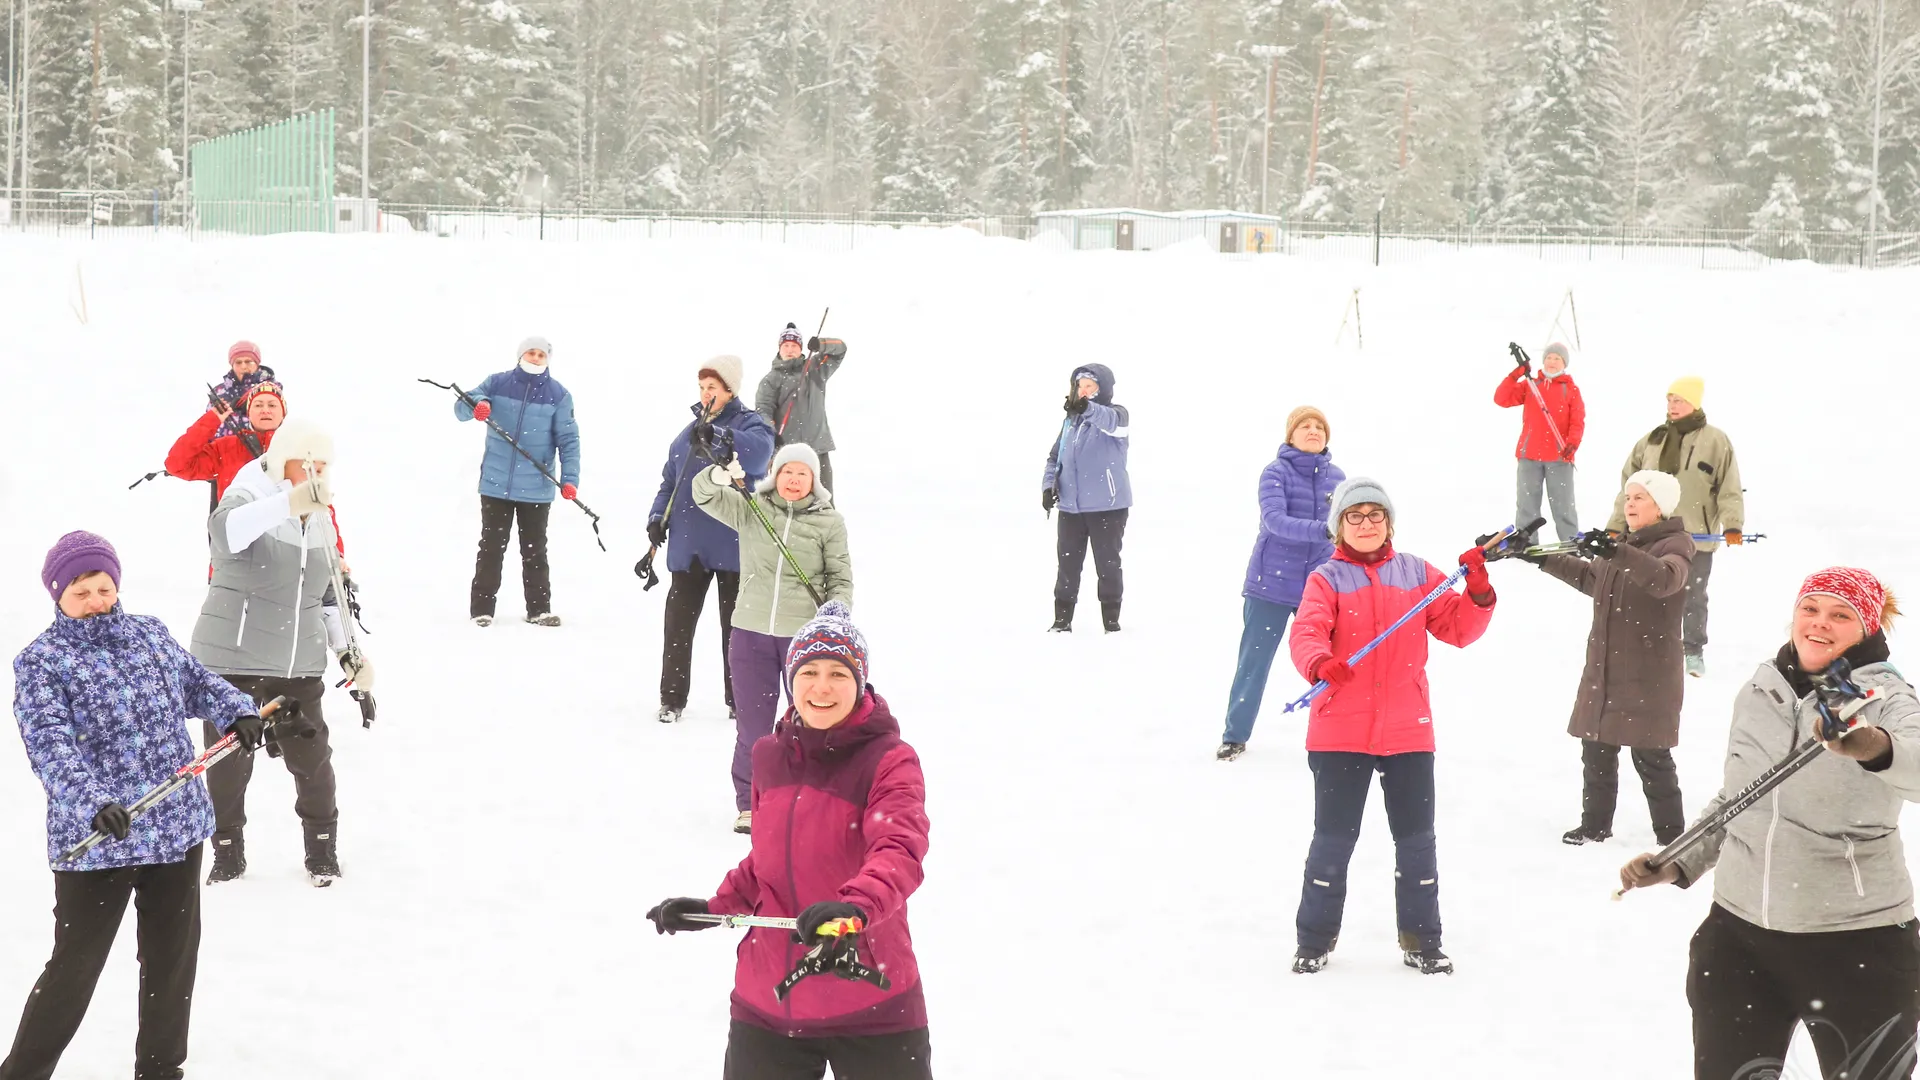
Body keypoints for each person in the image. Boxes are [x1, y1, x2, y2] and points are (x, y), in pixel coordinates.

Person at [1619, 568, 1920, 1080]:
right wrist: (1678, 861)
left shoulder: (1886, 699)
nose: (1819, 623)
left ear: (1866, 628)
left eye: (1840, 615)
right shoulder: (1763, 689)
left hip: (1857, 942)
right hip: (1740, 938)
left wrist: (1872, 746)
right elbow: (1740, 798)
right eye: (1810, 609)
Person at [3, 531, 262, 1080]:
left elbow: (197, 684)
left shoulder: (149, 635)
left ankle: (161, 1071)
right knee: (74, 971)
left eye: (104, 588)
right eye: (81, 593)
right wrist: (93, 802)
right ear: (58, 595)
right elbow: (49, 745)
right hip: (100, 841)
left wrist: (236, 709)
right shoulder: (42, 662)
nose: (96, 601)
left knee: (171, 965)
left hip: (175, 830)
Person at [645, 602, 932, 1080]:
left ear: (860, 682)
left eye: (838, 673)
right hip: (769, 1003)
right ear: (791, 678)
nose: (822, 687)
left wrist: (854, 908)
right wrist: (715, 907)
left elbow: (899, 849)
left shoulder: (889, 759)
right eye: (810, 672)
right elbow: (769, 856)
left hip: (872, 1000)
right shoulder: (769, 755)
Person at [1286, 477, 1497, 976]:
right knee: (1333, 840)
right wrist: (1320, 663)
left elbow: (1458, 628)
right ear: (1339, 526)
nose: (1366, 524)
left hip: (1407, 730)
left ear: (1389, 523)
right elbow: (1307, 631)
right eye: (1354, 516)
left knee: (1416, 841)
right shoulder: (1326, 579)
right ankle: (1313, 941)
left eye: (1375, 514)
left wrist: (1478, 590)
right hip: (1340, 730)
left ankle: (1423, 941)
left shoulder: (1418, 573)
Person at [189, 416, 364, 887]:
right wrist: (288, 503)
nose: (316, 472)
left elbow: (328, 597)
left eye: (323, 465)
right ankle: (227, 852)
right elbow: (225, 533)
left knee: (313, 762)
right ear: (282, 459)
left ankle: (322, 850)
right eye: (306, 462)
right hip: (235, 662)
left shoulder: (322, 519)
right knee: (229, 765)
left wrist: (350, 654)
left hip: (297, 665)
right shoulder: (247, 495)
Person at [692, 442, 853, 835]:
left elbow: (840, 577)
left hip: (803, 641)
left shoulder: (829, 522)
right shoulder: (753, 510)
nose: (793, 480)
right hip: (750, 633)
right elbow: (704, 495)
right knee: (754, 728)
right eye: (787, 472)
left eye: (802, 473)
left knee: (811, 726)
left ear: (814, 480)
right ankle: (751, 804)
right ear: (775, 476)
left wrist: (836, 613)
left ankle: (810, 802)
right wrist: (718, 474)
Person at [1535, 471, 1692, 846]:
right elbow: (1592, 579)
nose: (1630, 504)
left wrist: (1615, 552)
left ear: (1660, 506)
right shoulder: (1622, 543)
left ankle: (1672, 837)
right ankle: (1594, 827)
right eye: (1628, 497)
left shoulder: (1676, 545)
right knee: (1596, 752)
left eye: (1639, 498)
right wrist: (1539, 556)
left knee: (1652, 759)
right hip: (1606, 668)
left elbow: (1663, 579)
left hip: (1648, 675)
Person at [649, 357, 776, 724]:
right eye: (702, 387)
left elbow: (760, 455)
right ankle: (672, 699)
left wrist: (721, 436)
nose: (706, 394)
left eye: (713, 388)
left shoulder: (750, 424)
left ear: (730, 390)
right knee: (678, 626)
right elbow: (670, 481)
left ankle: (739, 700)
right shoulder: (686, 434)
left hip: (734, 544)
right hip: (690, 545)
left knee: (735, 631)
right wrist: (657, 518)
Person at [1217, 406, 1345, 761]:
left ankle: (1338, 737)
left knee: (1331, 663)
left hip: (1318, 588)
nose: (1313, 430)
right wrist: (1324, 530)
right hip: (1269, 586)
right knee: (1253, 664)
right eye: (1305, 426)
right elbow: (1275, 520)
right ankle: (1234, 735)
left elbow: (1347, 526)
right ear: (1291, 435)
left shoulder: (1338, 477)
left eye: (1319, 426)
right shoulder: (1275, 472)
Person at [1607, 376, 1743, 678]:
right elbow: (1628, 488)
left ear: (1694, 402)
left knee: (1692, 596)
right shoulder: (1651, 441)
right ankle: (1647, 648)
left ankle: (1692, 651)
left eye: (1679, 400)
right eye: (1669, 400)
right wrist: (1617, 525)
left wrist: (1733, 523)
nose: (1672, 405)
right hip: (1651, 535)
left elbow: (1729, 486)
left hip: (1697, 538)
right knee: (1647, 592)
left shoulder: (1716, 441)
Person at [455, 336, 581, 628]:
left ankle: (539, 610)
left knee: (535, 550)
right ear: (520, 355)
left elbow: (569, 440)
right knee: (491, 547)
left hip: (537, 488)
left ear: (547, 359)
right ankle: (482, 610)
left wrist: (570, 479)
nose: (535, 358)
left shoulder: (559, 395)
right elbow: (461, 408)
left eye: (541, 354)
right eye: (531, 352)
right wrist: (478, 404)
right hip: (496, 485)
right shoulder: (497, 383)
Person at [1042, 363, 1131, 633]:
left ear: (1102, 389)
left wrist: (1088, 409)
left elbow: (1109, 421)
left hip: (1107, 507)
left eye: (1089, 386)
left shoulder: (1117, 416)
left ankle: (1111, 623)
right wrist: (1048, 487)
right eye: (1079, 386)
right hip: (1071, 508)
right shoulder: (1070, 421)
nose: (1083, 391)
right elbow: (1055, 457)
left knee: (1108, 566)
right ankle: (1062, 621)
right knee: (1067, 566)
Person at [1493, 341, 1585, 543]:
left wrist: (1572, 443)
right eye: (1549, 357)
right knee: (1527, 504)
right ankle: (1526, 542)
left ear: (1564, 363)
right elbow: (1501, 398)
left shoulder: (1570, 390)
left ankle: (1570, 542)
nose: (1552, 361)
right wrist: (1515, 375)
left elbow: (1577, 421)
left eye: (1557, 358)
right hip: (1529, 455)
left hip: (1560, 456)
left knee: (1563, 505)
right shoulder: (1531, 385)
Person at [755, 322, 848, 492]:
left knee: (824, 501)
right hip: (787, 453)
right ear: (779, 348)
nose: (790, 350)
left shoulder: (815, 369)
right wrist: (772, 433)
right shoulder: (770, 380)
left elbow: (840, 349)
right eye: (786, 345)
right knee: (789, 499)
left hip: (818, 449)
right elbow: (763, 410)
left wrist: (821, 344)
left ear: (801, 348)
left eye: (794, 346)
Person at [167, 380, 287, 500]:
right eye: (258, 405)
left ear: (283, 413)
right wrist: (211, 420)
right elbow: (177, 465)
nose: (265, 410)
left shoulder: (296, 444)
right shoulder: (224, 448)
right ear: (249, 413)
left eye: (272, 405)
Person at [209, 340, 276, 440]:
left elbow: (280, 422)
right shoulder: (218, 392)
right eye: (238, 362)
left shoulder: (272, 389)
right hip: (223, 448)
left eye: (248, 362)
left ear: (257, 364)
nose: (243, 366)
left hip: (261, 448)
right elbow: (208, 426)